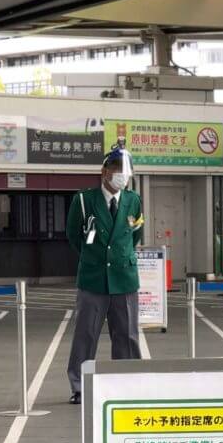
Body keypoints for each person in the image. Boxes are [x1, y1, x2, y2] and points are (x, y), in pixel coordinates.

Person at [66, 146, 143, 404]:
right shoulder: (84, 200)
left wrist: (120, 256)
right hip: (93, 279)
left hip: (124, 278)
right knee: (86, 334)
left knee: (127, 335)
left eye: (126, 171)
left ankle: (129, 382)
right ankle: (80, 385)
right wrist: (94, 257)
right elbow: (73, 236)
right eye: (116, 169)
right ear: (104, 171)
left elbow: (136, 234)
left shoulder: (133, 200)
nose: (122, 175)